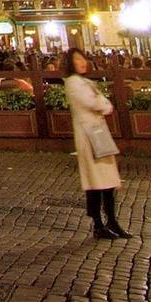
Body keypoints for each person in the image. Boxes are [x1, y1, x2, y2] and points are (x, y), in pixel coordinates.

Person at [62, 49, 128, 240]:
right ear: (70, 63)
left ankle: (112, 221)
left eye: (83, 58)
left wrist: (103, 104)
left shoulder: (86, 82)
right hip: (89, 135)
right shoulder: (74, 82)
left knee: (107, 180)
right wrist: (103, 105)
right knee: (96, 181)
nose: (82, 62)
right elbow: (95, 103)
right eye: (76, 59)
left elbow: (104, 104)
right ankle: (99, 223)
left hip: (98, 133)